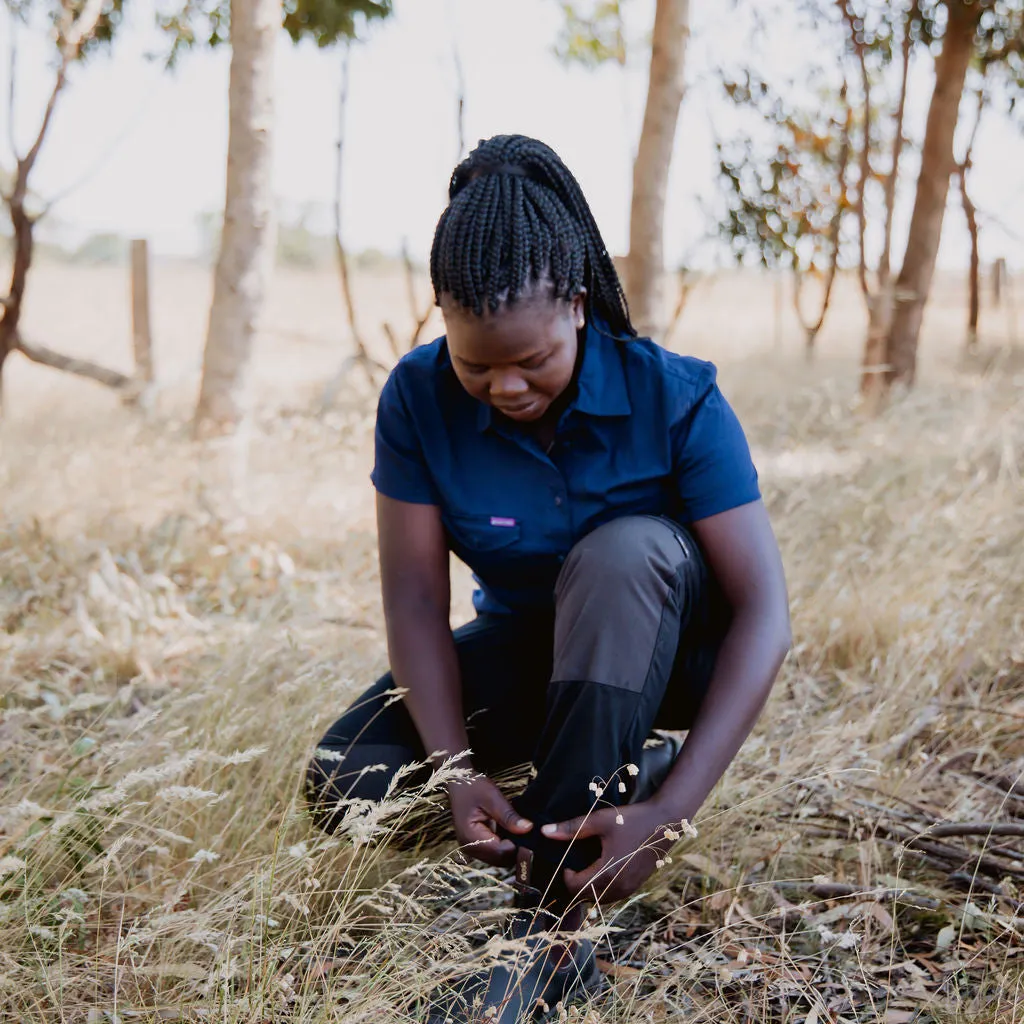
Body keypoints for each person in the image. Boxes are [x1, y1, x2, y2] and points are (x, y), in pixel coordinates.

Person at [306, 134, 791, 1022]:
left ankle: (542, 935)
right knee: (347, 776)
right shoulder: (416, 397)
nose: (505, 386)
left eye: (531, 362)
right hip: (539, 657)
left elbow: (764, 612)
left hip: (668, 659)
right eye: (475, 363)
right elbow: (417, 596)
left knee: (620, 553)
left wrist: (675, 813)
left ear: (575, 305)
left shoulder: (675, 396)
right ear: (442, 320)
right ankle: (598, 794)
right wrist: (454, 773)